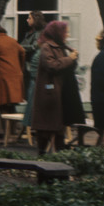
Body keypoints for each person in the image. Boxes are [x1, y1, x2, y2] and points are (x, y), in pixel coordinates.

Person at [28, 19, 78, 153]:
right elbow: (52, 65)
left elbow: (65, 67)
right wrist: (70, 59)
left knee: (58, 128)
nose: (67, 34)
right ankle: (43, 157)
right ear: (57, 33)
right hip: (49, 95)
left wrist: (73, 59)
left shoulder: (60, 47)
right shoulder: (47, 47)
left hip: (59, 93)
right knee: (46, 129)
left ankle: (58, 159)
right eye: (65, 32)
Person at [0, 25, 26, 115]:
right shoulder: (12, 40)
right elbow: (22, 52)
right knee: (12, 106)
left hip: (3, 78)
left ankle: (6, 129)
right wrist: (19, 67)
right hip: (16, 77)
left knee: (3, 107)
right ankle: (14, 128)